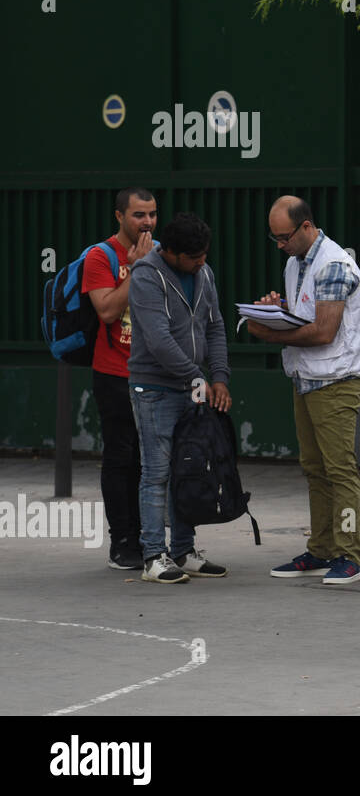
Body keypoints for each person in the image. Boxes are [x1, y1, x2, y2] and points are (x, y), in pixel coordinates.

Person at [246, 196, 360, 586]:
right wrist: (276, 310)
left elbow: (323, 331)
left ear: (306, 227)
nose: (280, 245)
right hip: (306, 376)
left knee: (339, 469)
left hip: (335, 378)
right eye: (275, 238)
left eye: (284, 237)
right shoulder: (294, 262)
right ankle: (320, 549)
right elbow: (305, 315)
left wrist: (266, 332)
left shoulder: (332, 264)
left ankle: (348, 554)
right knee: (315, 469)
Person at [127, 212, 231, 585]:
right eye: (194, 256)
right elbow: (157, 341)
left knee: (187, 472)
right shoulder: (145, 276)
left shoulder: (204, 273)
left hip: (194, 386)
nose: (201, 261)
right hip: (154, 389)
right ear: (170, 252)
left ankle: (184, 552)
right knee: (156, 473)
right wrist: (197, 377)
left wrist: (219, 377)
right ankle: (153, 556)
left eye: (204, 254)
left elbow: (215, 326)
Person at [83, 187, 157, 571]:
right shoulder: (101, 256)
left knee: (155, 460)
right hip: (114, 373)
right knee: (121, 457)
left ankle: (153, 537)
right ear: (119, 216)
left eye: (152, 214)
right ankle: (122, 540)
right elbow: (108, 310)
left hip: (154, 374)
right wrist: (139, 268)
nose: (146, 222)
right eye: (138, 215)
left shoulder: (161, 252)